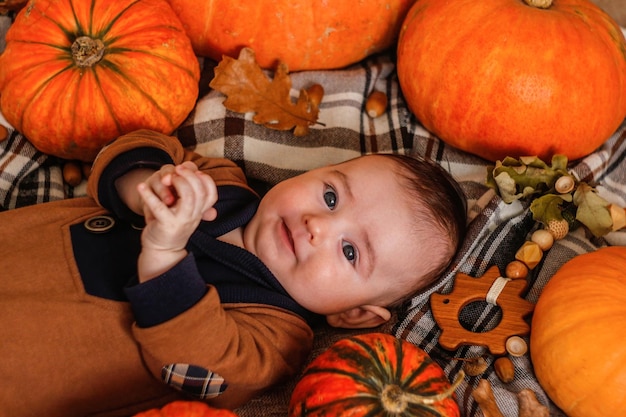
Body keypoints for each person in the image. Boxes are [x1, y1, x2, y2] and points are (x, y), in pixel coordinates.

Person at [0, 129, 467, 416]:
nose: (317, 227)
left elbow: (201, 360)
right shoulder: (220, 183)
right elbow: (139, 148)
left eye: (350, 252)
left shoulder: (273, 339)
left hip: (25, 368)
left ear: (356, 316)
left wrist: (165, 250)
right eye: (330, 196)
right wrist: (146, 186)